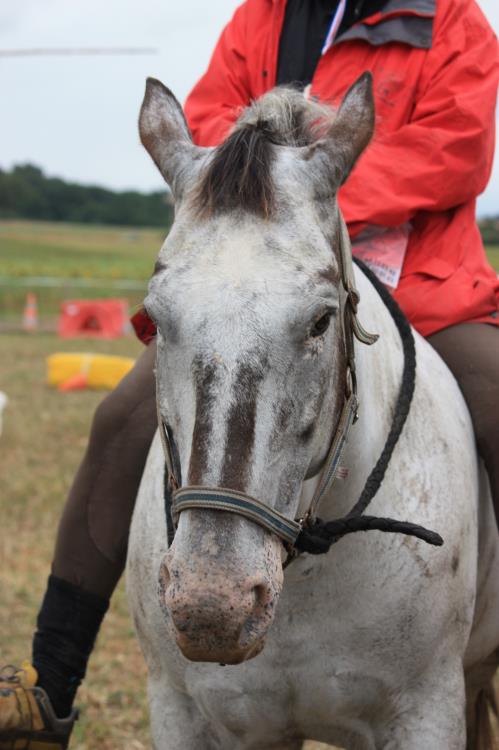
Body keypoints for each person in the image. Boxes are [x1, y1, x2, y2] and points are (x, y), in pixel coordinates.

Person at [1, 0, 498, 747]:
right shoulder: (259, 18)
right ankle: (49, 684)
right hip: (258, 289)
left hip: (424, 286)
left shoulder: (450, 21)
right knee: (120, 420)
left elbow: (455, 149)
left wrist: (303, 189)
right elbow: (205, 132)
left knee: (496, 399)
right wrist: (274, 204)